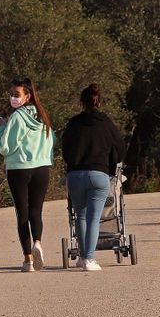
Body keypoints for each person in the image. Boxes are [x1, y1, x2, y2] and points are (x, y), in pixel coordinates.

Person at [60, 83, 127, 272]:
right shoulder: (106, 123)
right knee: (93, 218)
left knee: (79, 215)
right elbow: (120, 148)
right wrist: (111, 163)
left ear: (82, 102)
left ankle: (82, 257)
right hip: (98, 175)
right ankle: (89, 258)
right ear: (99, 101)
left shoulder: (73, 123)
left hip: (75, 175)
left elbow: (65, 150)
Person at [0, 78, 55, 272]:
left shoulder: (17, 117)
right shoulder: (43, 116)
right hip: (41, 168)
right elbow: (52, 141)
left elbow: (5, 146)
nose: (12, 98)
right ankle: (37, 242)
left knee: (22, 213)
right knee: (36, 211)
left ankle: (28, 259)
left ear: (27, 96)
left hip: (19, 168)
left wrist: (2, 129)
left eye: (16, 94)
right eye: (11, 94)